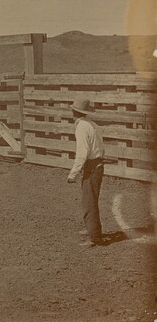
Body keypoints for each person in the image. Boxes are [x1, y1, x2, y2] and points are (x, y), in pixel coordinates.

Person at [67, 97, 106, 247]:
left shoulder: (81, 127)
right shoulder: (92, 124)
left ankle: (94, 237)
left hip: (92, 166)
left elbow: (82, 153)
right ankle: (92, 228)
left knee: (89, 200)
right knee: (91, 198)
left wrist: (73, 173)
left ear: (73, 112)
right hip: (97, 164)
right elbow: (100, 147)